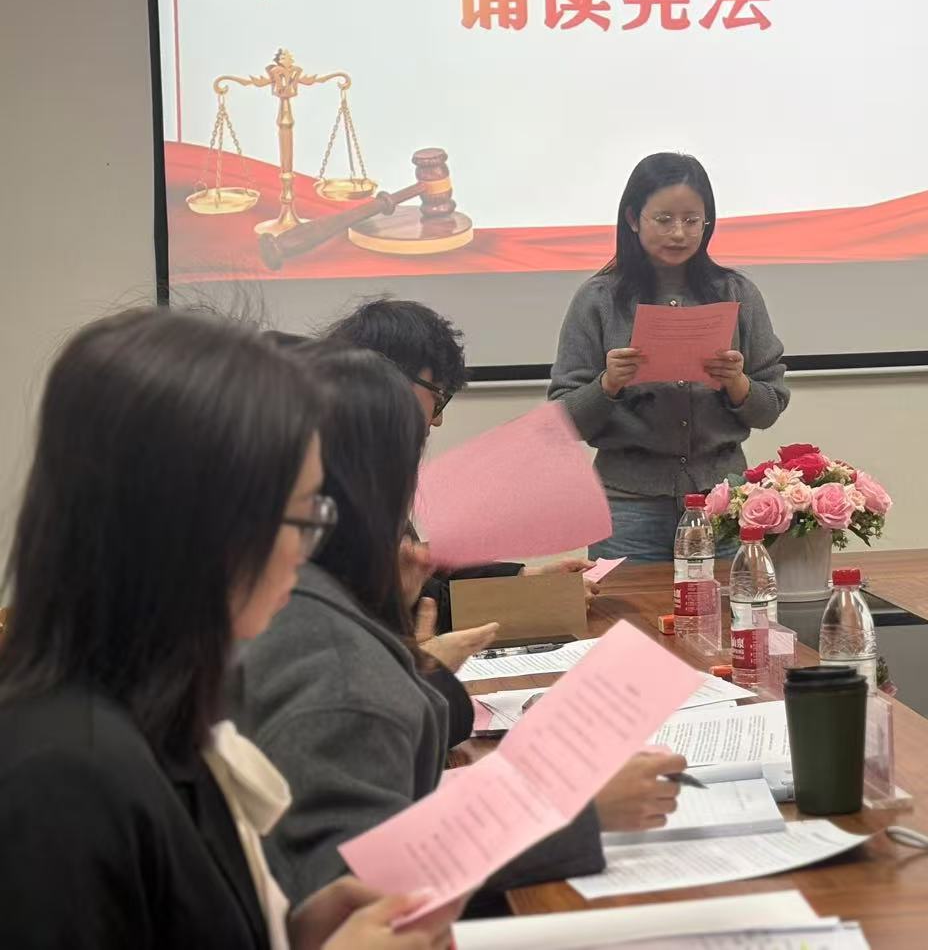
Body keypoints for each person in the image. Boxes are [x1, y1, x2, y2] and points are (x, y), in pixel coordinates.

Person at [0, 308, 458, 949]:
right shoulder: (63, 784)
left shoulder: (164, 717)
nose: (305, 551)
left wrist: (289, 932)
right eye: (301, 517)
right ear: (200, 527)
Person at [230, 344, 684, 906]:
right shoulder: (329, 659)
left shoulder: (301, 598)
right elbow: (348, 888)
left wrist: (403, 645)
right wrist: (575, 812)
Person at [549, 152, 790, 561]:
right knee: (627, 607)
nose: (679, 233)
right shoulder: (598, 299)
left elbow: (769, 408)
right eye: (663, 219)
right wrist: (608, 384)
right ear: (633, 218)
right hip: (627, 510)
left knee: (728, 604)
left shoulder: (737, 293)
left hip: (723, 504)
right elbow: (564, 420)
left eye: (692, 220)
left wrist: (737, 383)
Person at [321, 296, 598, 649]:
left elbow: (415, 572)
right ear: (387, 379)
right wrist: (531, 600)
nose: (436, 420)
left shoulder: (356, 461)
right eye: (438, 397)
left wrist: (523, 577)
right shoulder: (331, 480)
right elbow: (402, 602)